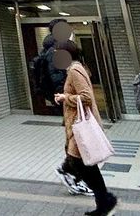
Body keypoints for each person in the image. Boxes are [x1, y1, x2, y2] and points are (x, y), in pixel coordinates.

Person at [53, 39, 118, 216]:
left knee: (82, 165)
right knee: (85, 166)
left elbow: (86, 97)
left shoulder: (75, 70)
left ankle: (106, 201)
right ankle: (104, 202)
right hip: (78, 125)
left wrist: (65, 98)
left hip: (80, 126)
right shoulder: (75, 69)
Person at [32, 22, 91, 197]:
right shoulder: (55, 52)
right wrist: (65, 98)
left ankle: (73, 173)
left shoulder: (55, 49)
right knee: (77, 139)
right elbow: (58, 78)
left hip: (69, 101)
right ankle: (71, 173)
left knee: (77, 139)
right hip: (69, 102)